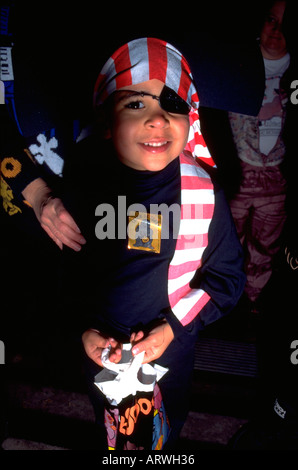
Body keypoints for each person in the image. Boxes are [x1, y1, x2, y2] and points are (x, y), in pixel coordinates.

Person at [61, 37, 246, 450]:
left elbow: (227, 278)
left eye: (172, 105)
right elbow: (64, 276)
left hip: (170, 354)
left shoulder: (204, 195)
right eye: (136, 104)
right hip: (100, 352)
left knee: (160, 435)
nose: (158, 119)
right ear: (107, 119)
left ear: (191, 118)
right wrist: (83, 330)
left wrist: (174, 328)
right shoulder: (82, 187)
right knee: (111, 430)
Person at [227, 0, 291, 311]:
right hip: (237, 170)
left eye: (285, 22)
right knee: (228, 240)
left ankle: (252, 305)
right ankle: (223, 300)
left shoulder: (294, 70)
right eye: (270, 19)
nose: (277, 30)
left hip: (276, 175)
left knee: (265, 246)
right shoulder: (236, 59)